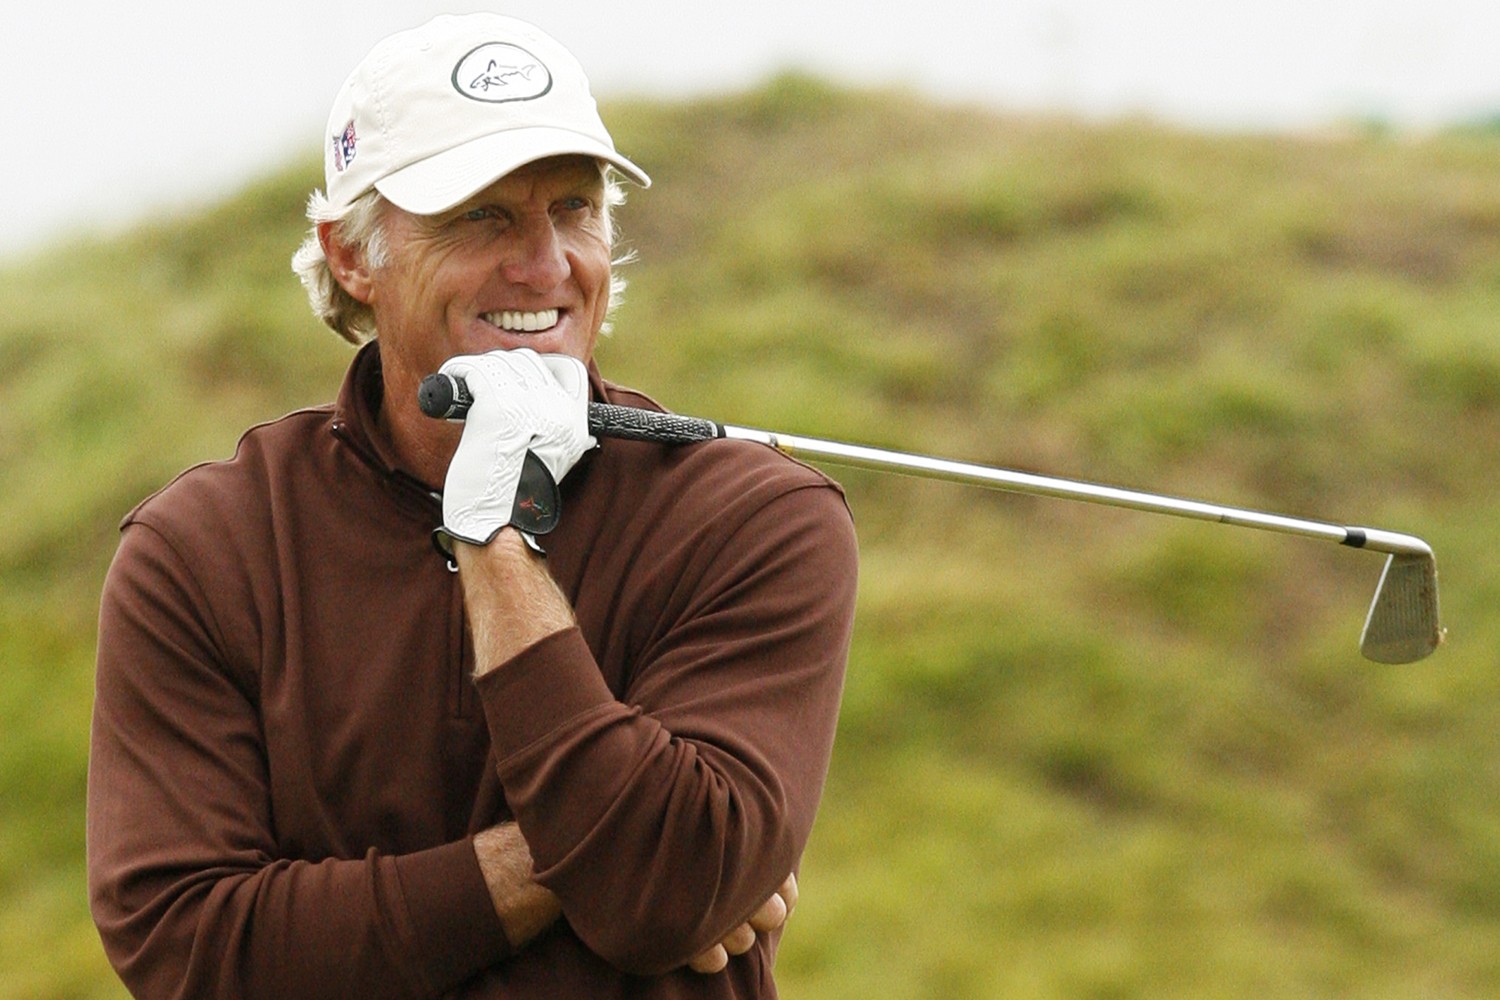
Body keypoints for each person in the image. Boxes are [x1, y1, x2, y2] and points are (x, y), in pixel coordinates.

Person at [86, 13, 857, 1000]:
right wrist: (589, 851)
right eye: (479, 216)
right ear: (352, 255)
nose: (545, 264)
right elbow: (189, 947)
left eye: (574, 208)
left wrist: (494, 535)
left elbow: (663, 893)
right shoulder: (206, 547)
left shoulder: (749, 518)